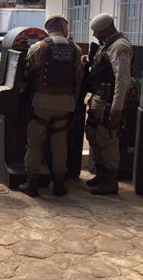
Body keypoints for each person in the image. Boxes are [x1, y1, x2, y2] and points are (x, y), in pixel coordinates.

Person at [18, 15, 82, 198]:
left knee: (34, 143)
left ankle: (31, 183)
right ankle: (59, 184)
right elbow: (78, 77)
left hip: (41, 103)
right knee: (60, 144)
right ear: (63, 28)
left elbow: (27, 74)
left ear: (48, 30)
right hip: (64, 104)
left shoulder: (38, 47)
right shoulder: (76, 50)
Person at [82, 13, 132, 195]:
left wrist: (116, 107)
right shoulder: (107, 45)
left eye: (97, 31)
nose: (95, 35)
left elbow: (122, 79)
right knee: (93, 135)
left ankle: (111, 181)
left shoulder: (120, 47)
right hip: (97, 99)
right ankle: (102, 174)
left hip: (107, 101)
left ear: (106, 29)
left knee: (108, 140)